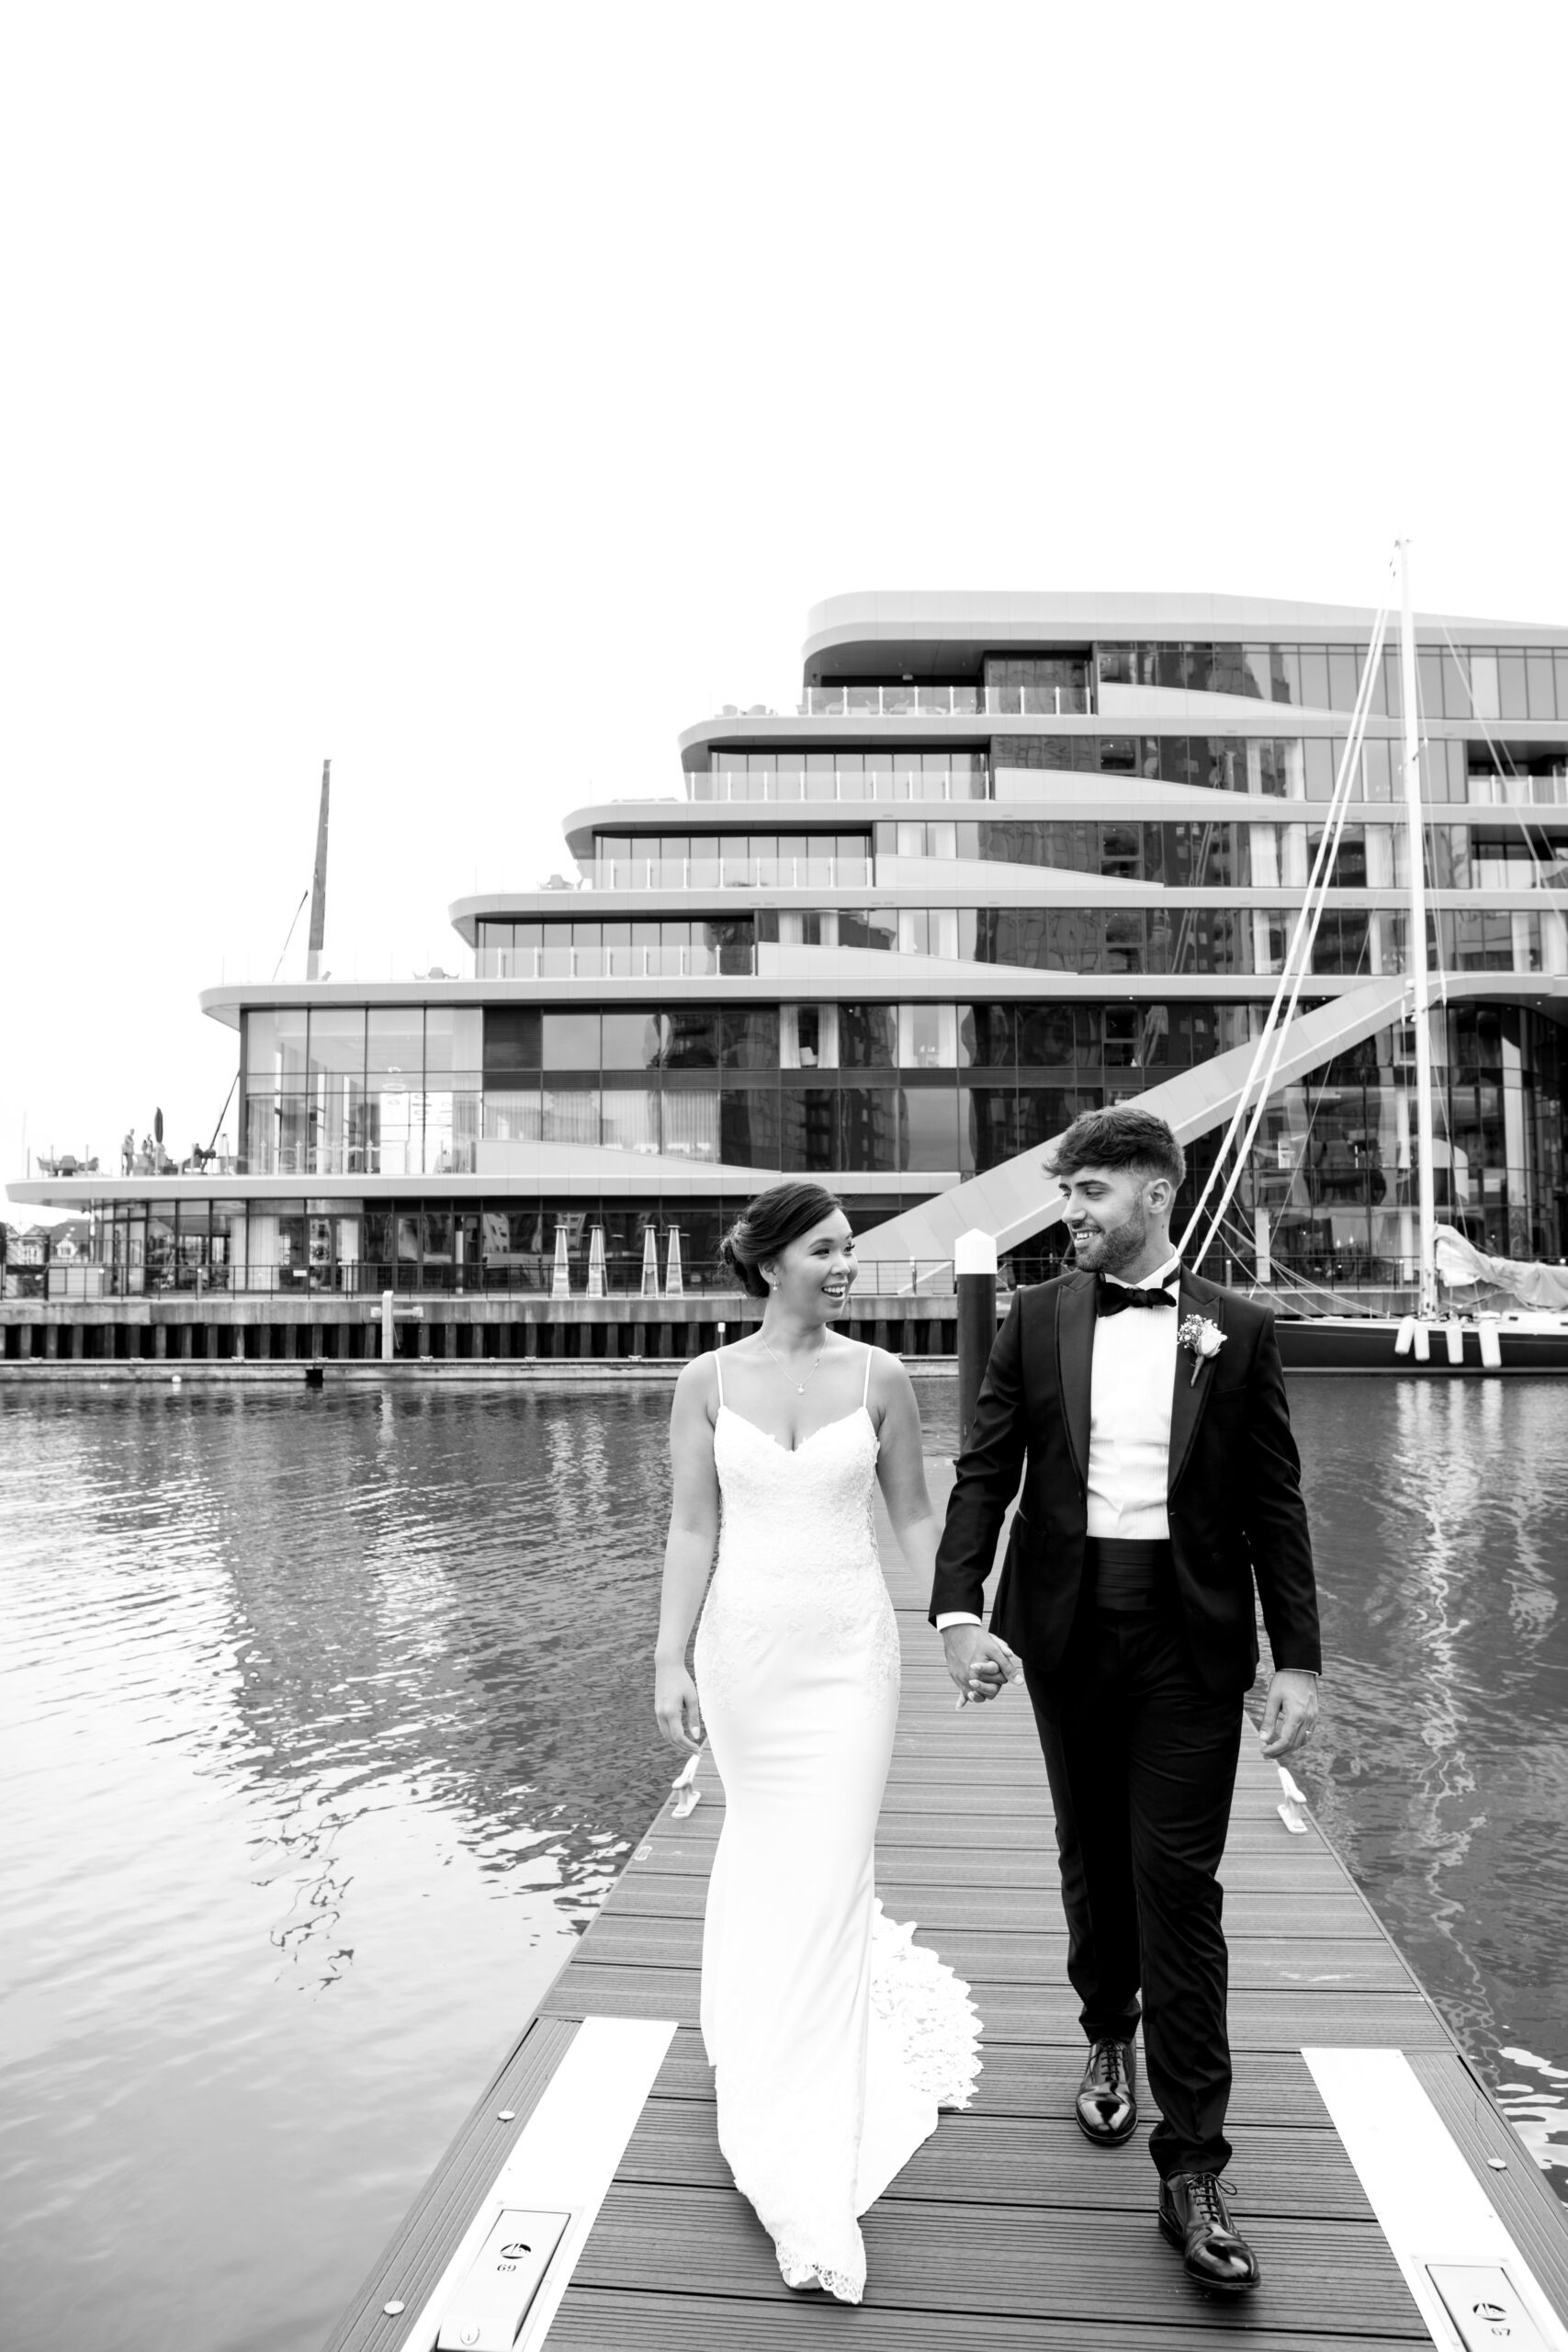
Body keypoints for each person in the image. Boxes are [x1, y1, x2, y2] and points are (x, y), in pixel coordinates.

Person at [931, 1107, 1321, 2296]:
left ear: (1154, 1193)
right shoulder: (1035, 1320)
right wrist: (956, 1611)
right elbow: (986, 1471)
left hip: (1188, 1650)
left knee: (1178, 1889)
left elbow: (1274, 1506)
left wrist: (1294, 1659)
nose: (1073, 1213)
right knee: (1090, 1855)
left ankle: (1191, 2166)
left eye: (1090, 1190)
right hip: (1061, 1636)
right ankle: (1108, 2027)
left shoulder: (1236, 1333)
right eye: (1068, 1192)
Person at [655, 1182, 980, 2303]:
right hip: (746, 1658)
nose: (846, 1265)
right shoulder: (704, 1382)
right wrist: (668, 1657)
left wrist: (956, 1619)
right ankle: (764, 2048)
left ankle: (812, 2146)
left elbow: (916, 1515)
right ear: (770, 1260)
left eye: (850, 1249)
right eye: (828, 1249)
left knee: (833, 1874)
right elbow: (693, 1524)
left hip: (851, 1660)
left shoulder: (881, 1376)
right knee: (766, 1860)